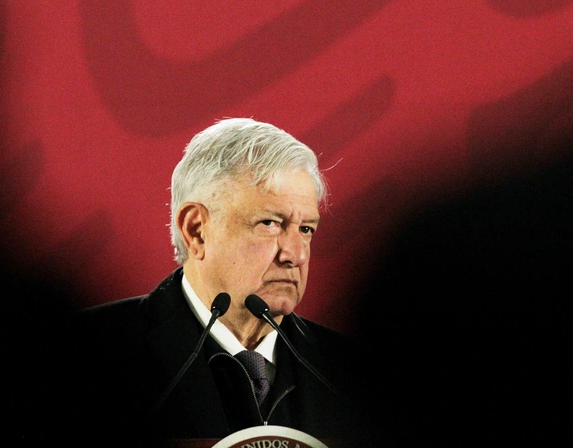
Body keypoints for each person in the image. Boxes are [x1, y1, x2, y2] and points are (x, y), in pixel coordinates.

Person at [51, 118, 380, 446]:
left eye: (305, 229)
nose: (295, 255)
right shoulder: (88, 355)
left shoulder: (352, 373)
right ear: (196, 230)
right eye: (269, 223)